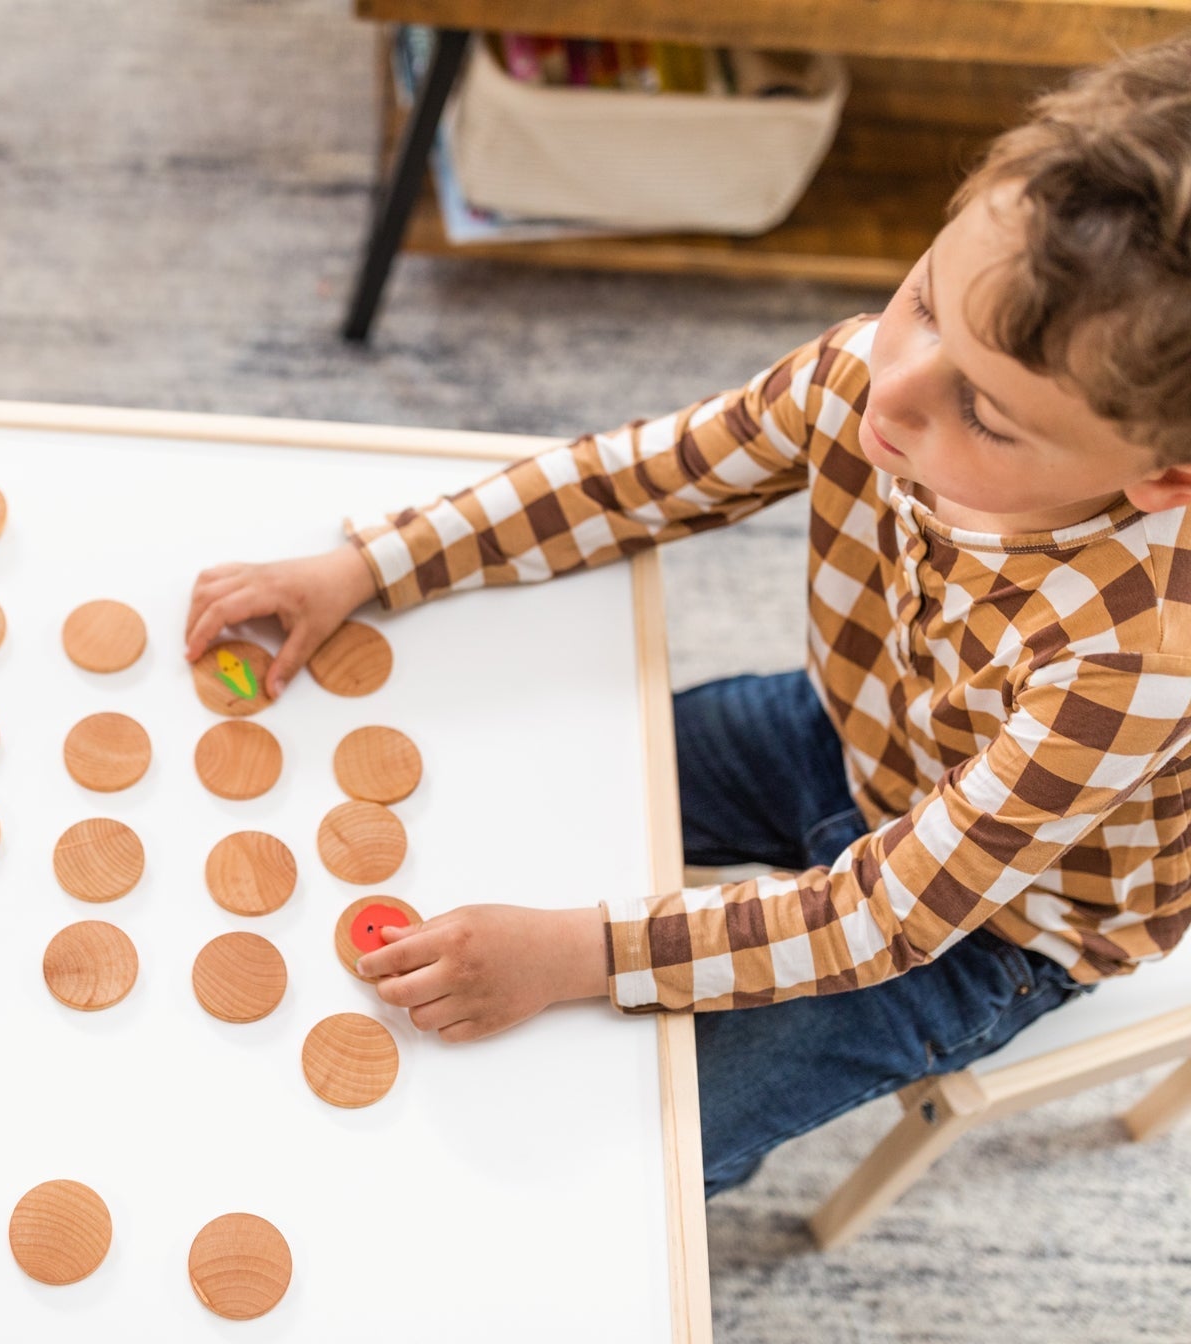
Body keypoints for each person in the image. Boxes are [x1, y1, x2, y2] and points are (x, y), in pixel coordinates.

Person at [184, 37, 1191, 1194]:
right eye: (922, 301)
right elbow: (633, 481)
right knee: (499, 805)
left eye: (989, 414)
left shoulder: (1139, 657)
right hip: (845, 736)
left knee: (640, 1146)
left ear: (1167, 478)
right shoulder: (880, 372)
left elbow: (879, 922)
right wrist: (370, 565)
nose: (891, 392)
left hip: (996, 931)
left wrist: (577, 956)